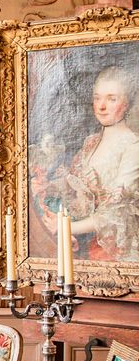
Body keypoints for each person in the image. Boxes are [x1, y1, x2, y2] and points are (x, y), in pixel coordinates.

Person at [40, 65, 139, 260]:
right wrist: (46, 188)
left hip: (116, 250)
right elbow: (73, 188)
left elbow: (119, 212)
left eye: (112, 99)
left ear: (126, 103)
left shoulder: (133, 146)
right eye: (97, 98)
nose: (101, 106)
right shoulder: (91, 142)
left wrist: (67, 227)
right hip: (84, 243)